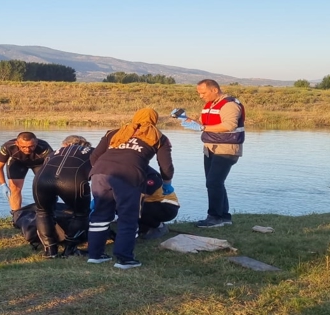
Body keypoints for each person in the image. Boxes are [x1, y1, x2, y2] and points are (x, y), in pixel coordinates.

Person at [87, 108, 174, 269]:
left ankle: (95, 255)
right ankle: (124, 259)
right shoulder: (159, 137)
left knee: (100, 215)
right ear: (154, 120)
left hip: (99, 172)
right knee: (128, 217)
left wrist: (103, 171)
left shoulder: (114, 133)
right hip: (128, 175)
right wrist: (167, 183)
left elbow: (94, 156)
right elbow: (166, 167)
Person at [176, 79, 245, 228]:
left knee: (213, 182)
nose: (201, 96)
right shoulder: (209, 105)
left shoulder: (230, 105)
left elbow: (229, 125)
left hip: (226, 148)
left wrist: (203, 128)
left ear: (214, 90)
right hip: (210, 148)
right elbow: (204, 125)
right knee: (216, 182)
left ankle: (214, 217)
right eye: (199, 93)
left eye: (203, 93)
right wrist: (190, 121)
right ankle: (224, 217)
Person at [32, 135, 93, 258]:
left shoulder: (54, 152)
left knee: (43, 212)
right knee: (81, 214)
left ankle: (50, 251)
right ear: (85, 144)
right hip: (73, 181)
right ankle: (69, 250)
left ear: (64, 144)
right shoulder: (92, 151)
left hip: (41, 179)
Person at [0, 132, 53, 212]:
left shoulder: (44, 147)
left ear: (36, 143)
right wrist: (3, 184)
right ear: (17, 143)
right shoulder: (7, 147)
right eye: (23, 147)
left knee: (44, 186)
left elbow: (53, 166)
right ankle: (16, 214)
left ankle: (46, 212)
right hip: (17, 162)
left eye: (31, 146)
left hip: (39, 163)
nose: (27, 149)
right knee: (14, 187)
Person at [138, 166, 179, 240]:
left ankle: (160, 227)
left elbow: (139, 198)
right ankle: (144, 227)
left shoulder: (151, 176)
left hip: (168, 206)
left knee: (133, 207)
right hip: (152, 203)